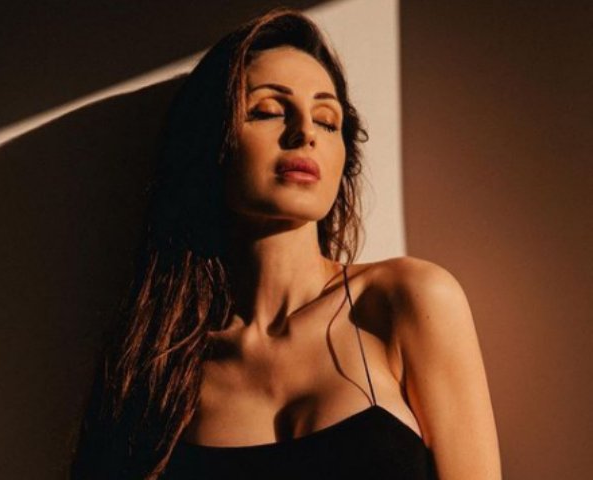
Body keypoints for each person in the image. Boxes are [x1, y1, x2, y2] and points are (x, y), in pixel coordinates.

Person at [70, 7, 501, 480]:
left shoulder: (403, 301)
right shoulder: (156, 370)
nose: (305, 133)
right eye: (268, 111)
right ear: (211, 143)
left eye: (327, 121)